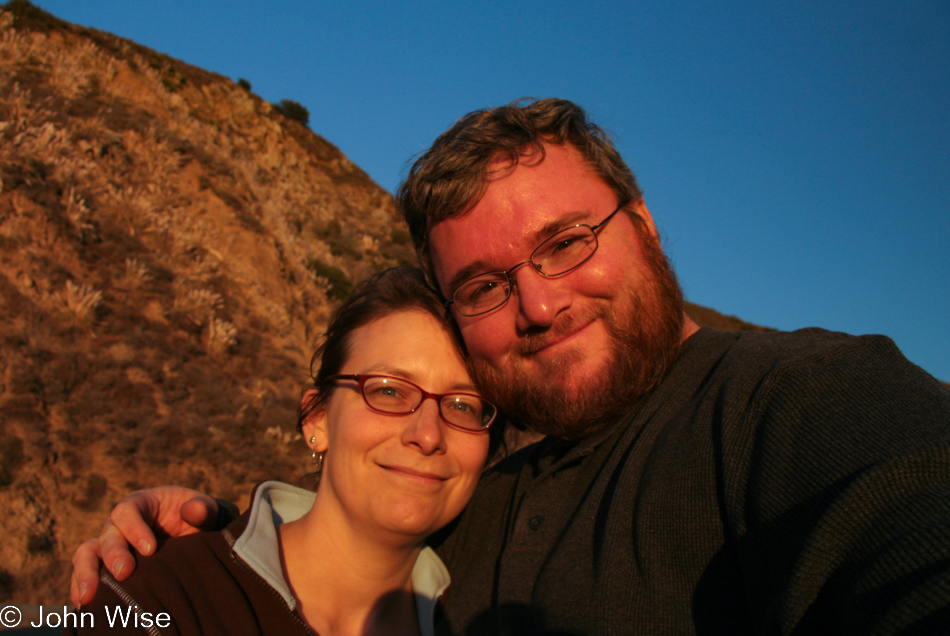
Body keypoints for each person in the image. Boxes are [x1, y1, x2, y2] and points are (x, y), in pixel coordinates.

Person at [72, 99, 950, 634]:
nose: (537, 305)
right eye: (487, 286)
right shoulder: (476, 504)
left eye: (566, 243)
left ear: (641, 224)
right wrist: (201, 539)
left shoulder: (806, 401)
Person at [65, 266, 499, 635]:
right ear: (316, 419)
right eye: (387, 391)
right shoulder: (162, 600)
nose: (427, 434)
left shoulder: (490, 612)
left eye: (462, 404)